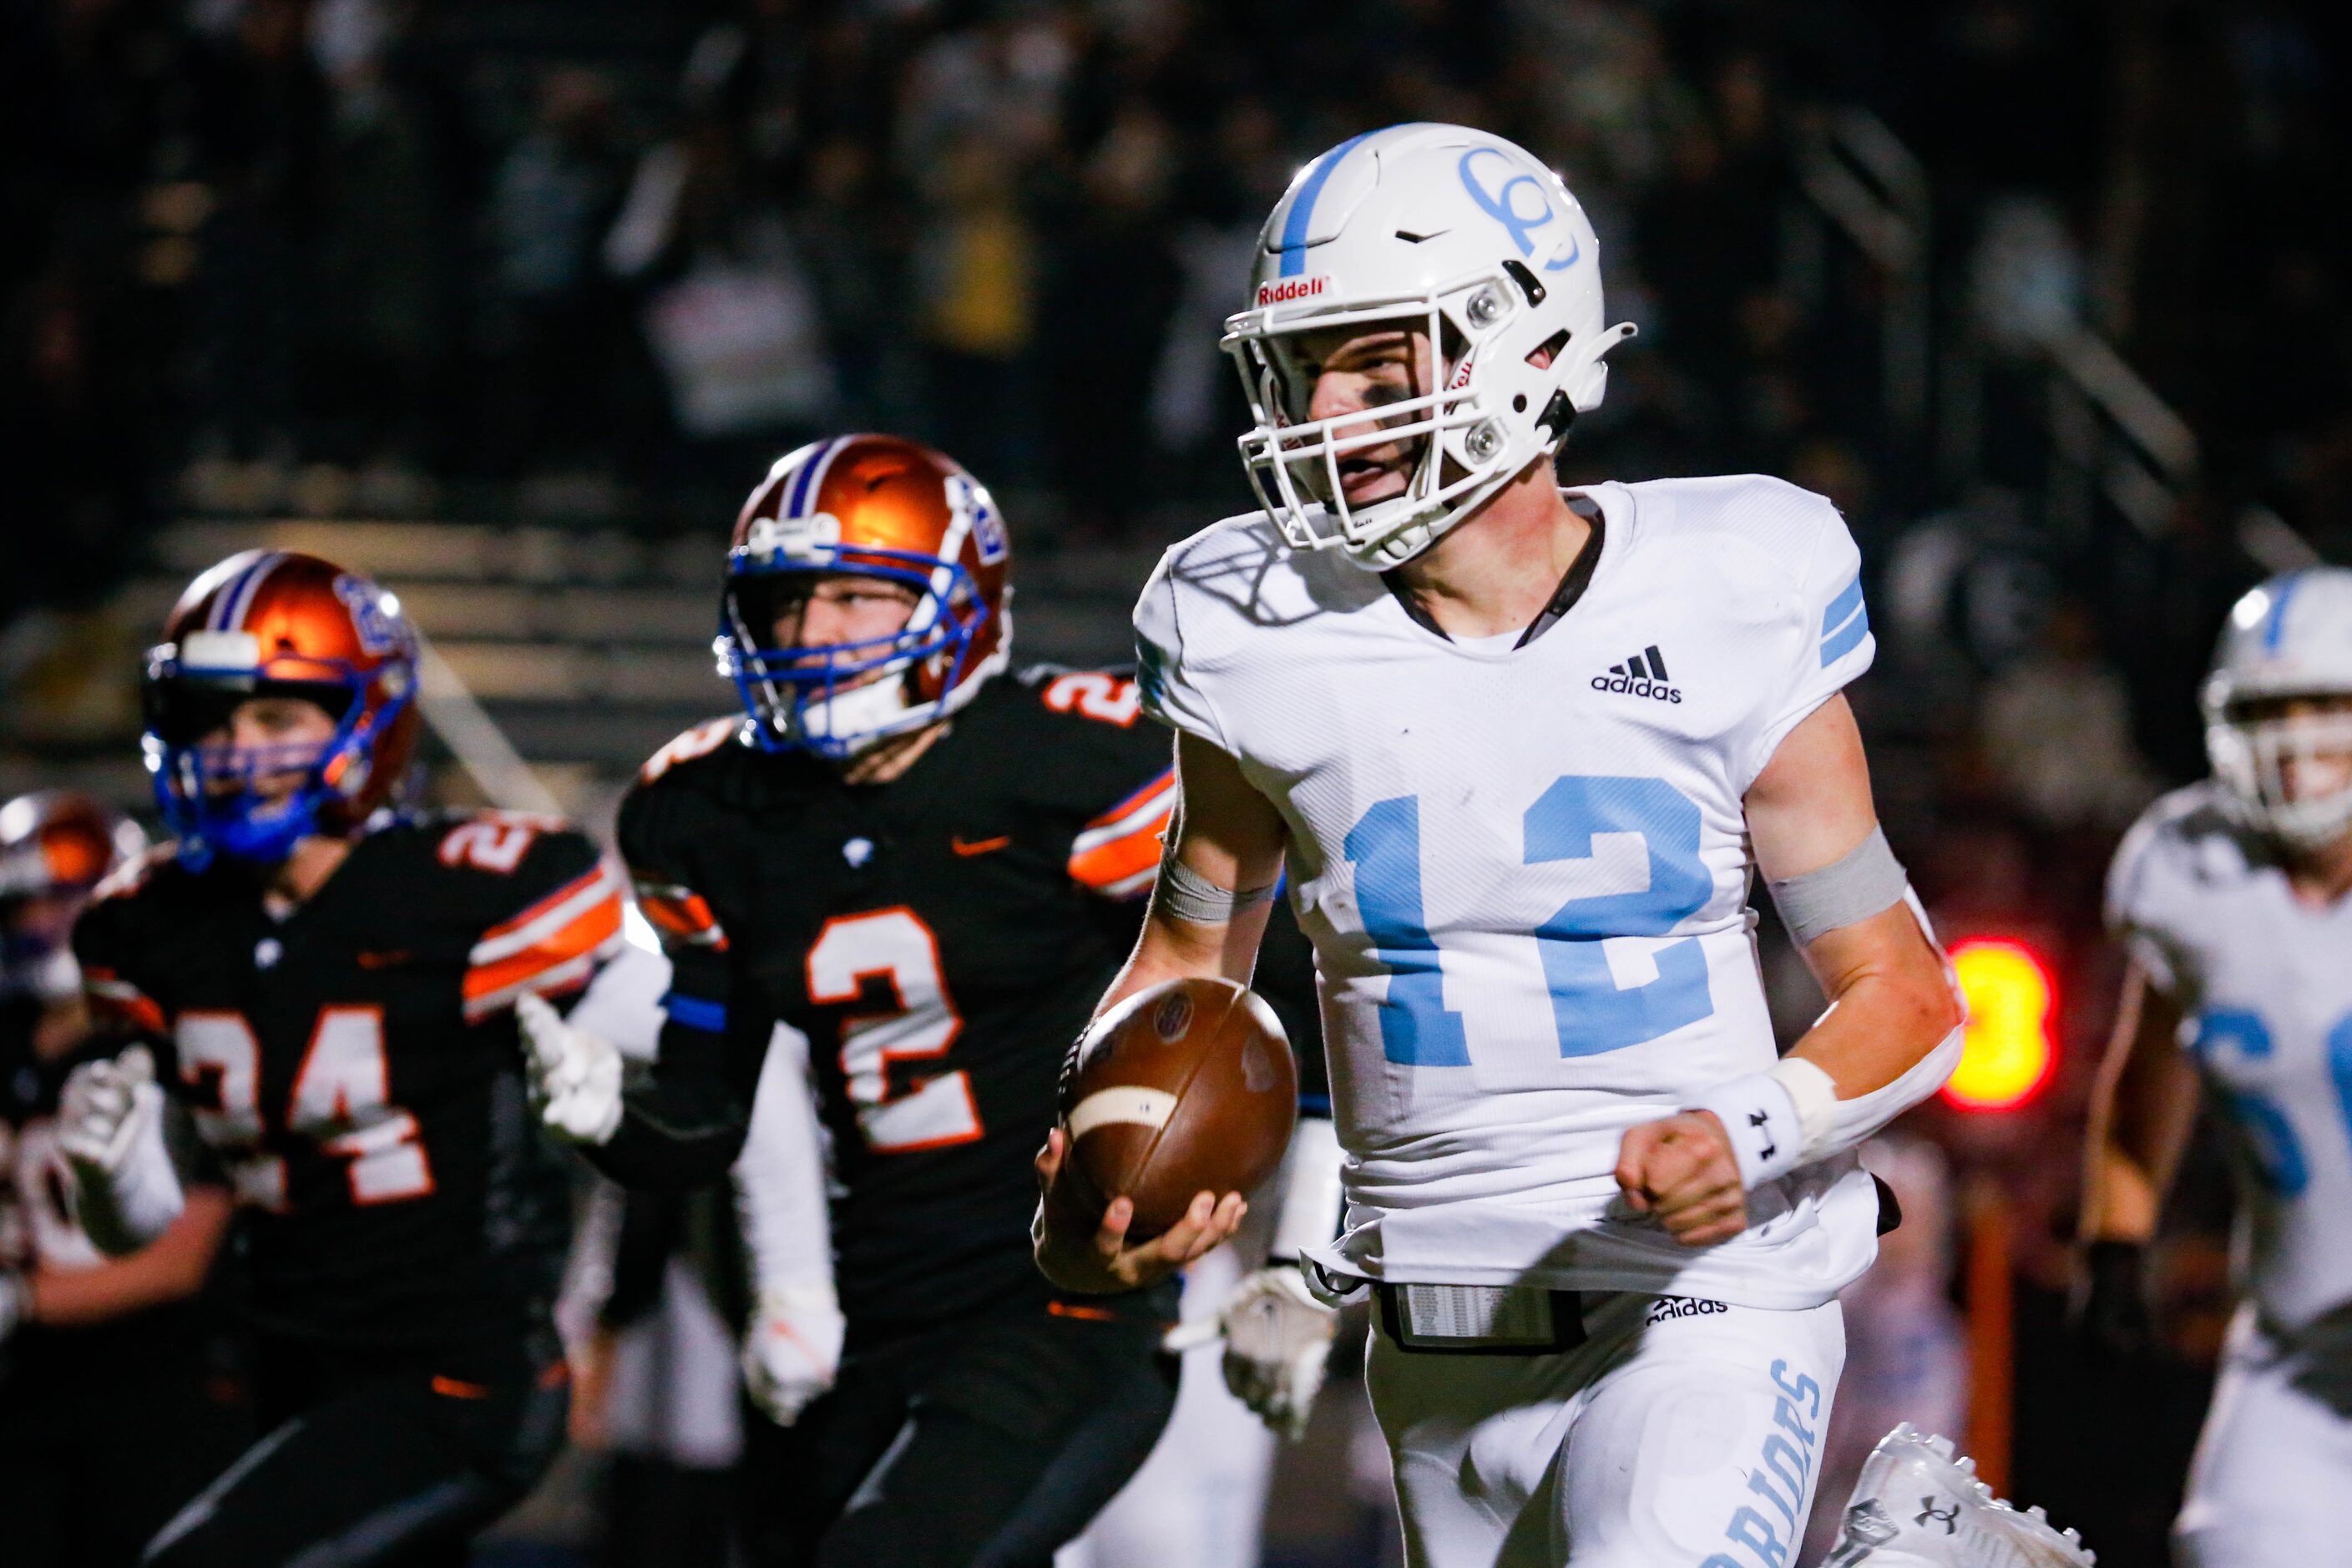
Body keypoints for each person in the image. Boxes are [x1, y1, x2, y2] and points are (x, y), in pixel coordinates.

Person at [1029, 123, 1980, 1568]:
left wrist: (1750, 1127)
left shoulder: (1730, 583)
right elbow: (1184, 967)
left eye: (1370, 362)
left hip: (1697, 1299)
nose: (1320, 410)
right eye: (1300, 370)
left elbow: (1908, 996)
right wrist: (1100, 1160)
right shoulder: (1247, 632)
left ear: (1519, 348)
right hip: (1429, 1342)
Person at [518, 433, 1216, 1565]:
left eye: (856, 598)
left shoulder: (1075, 768)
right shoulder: (708, 810)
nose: (811, 634)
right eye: (788, 603)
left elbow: (1269, 998)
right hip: (860, 1319)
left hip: (1056, 1295)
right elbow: (702, 1120)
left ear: (963, 601)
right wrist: (610, 1121)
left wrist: (1295, 1228)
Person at [55, 549, 627, 1568]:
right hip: (275, 1360)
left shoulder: (482, 887)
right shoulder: (149, 923)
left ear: (369, 720)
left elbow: (674, 1095)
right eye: (213, 718)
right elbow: (155, 1213)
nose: (235, 750)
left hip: (451, 1373)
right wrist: (108, 1189)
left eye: (278, 718)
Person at [2082, 568, 2352, 1565]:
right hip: (2295, 1353)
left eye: (2325, 705)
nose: (2295, 743)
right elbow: (2154, 1057)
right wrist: (2117, 1240)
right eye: (2268, 710)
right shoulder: (2186, 868)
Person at [0, 791, 244, 1568]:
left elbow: (180, 1257)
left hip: (156, 1386)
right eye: (28, 905)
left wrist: (21, 1300)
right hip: (21, 1390)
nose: (46, 925)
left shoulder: (175, 1044)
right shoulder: (8, 1046)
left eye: (68, 903)